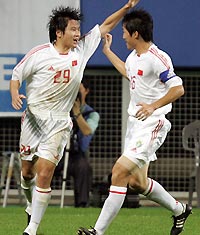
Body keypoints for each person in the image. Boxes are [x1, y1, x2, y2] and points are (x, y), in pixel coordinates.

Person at [9, 1, 140, 235]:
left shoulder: (81, 49)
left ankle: (32, 229)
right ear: (59, 33)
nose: (78, 34)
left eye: (79, 29)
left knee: (45, 171)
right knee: (27, 172)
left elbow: (108, 24)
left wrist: (127, 6)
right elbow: (16, 75)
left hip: (59, 122)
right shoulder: (39, 54)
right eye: (73, 30)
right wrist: (14, 94)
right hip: (33, 120)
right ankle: (31, 205)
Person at [78, 8, 192, 235]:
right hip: (135, 125)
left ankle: (97, 232)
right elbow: (128, 72)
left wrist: (152, 106)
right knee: (138, 183)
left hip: (153, 123)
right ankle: (180, 210)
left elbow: (178, 88)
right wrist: (108, 52)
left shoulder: (158, 58)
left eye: (124, 33)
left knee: (118, 172)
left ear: (136, 34)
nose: (122, 36)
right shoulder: (134, 57)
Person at [55, 79, 100, 207]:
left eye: (78, 90)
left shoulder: (92, 114)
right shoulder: (62, 110)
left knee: (84, 168)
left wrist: (77, 113)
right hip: (59, 152)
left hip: (77, 154)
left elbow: (87, 131)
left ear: (86, 91)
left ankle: (82, 204)